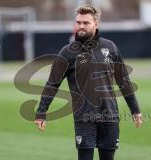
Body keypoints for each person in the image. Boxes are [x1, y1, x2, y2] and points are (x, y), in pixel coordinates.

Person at [34, 4, 142, 160]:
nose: (81, 26)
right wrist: (41, 112)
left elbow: (123, 81)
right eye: (78, 22)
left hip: (109, 116)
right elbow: (52, 83)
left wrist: (135, 109)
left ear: (96, 24)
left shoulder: (110, 47)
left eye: (86, 23)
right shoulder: (67, 52)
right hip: (84, 117)